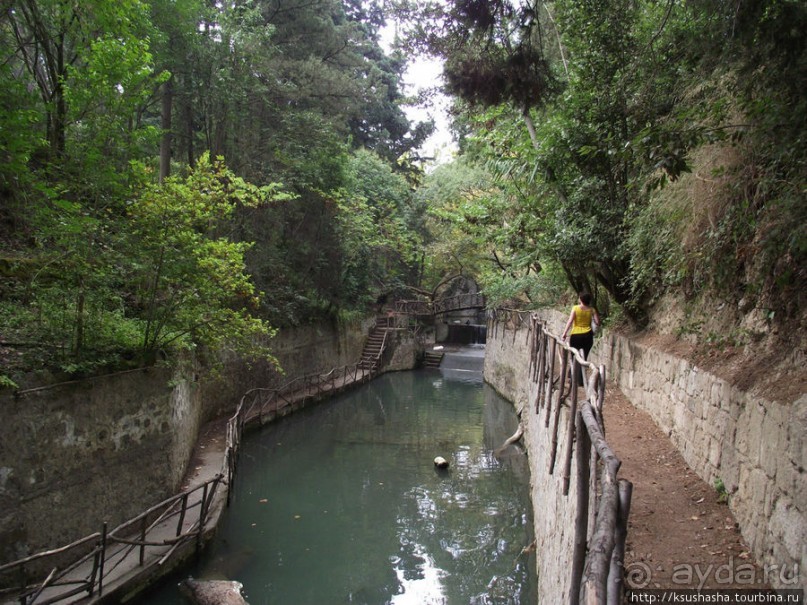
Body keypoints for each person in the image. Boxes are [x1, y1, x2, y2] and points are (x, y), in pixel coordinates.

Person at [561, 292, 600, 360]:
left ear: (581, 299)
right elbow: (597, 322)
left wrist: (564, 333)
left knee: (574, 356)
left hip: (576, 335)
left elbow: (570, 321)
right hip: (588, 335)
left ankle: (573, 370)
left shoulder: (575, 308)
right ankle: (581, 370)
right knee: (584, 357)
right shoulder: (592, 310)